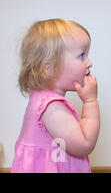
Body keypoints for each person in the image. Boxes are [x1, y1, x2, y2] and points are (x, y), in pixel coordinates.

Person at [11, 19, 100, 173]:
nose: (89, 62)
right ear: (49, 69)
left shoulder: (40, 99)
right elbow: (85, 144)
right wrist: (90, 101)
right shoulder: (52, 107)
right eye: (81, 56)